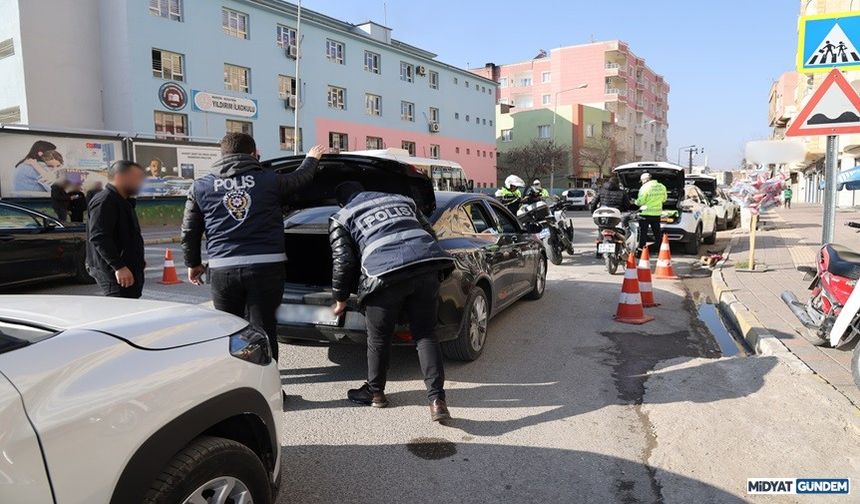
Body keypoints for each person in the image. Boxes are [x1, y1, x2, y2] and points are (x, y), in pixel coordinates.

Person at [181, 132, 326, 360]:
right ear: (252, 154)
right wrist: (312, 158)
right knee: (264, 330)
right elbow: (300, 179)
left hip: (222, 271)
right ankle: (270, 388)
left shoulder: (201, 187)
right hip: (266, 269)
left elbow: (190, 231)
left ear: (223, 154)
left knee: (230, 330)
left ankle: (238, 385)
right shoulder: (269, 180)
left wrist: (193, 264)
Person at [329, 181, 455, 421]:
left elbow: (343, 261)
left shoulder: (342, 215)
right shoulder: (403, 200)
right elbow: (430, 234)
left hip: (383, 275)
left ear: (342, 201)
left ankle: (376, 393)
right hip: (426, 268)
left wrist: (341, 299)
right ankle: (437, 401)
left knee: (378, 338)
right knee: (426, 335)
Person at [86, 161, 147, 298]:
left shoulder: (123, 200)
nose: (140, 183)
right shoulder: (105, 200)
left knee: (132, 306)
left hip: (127, 268)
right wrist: (119, 267)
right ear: (120, 177)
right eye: (137, 178)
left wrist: (138, 259)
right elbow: (99, 237)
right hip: (114, 272)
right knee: (122, 311)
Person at [635, 172, 667, 251]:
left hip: (645, 214)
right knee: (657, 233)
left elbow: (641, 202)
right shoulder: (662, 186)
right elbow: (664, 199)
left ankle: (641, 250)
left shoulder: (644, 187)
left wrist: (635, 202)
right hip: (656, 214)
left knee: (643, 233)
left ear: (644, 180)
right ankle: (659, 249)